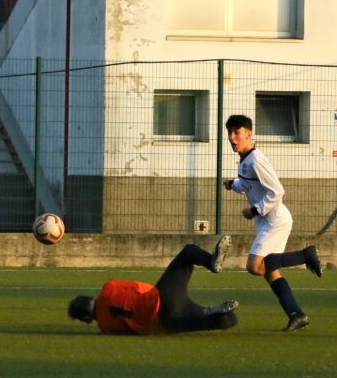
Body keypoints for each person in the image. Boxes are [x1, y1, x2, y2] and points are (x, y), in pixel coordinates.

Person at [223, 114, 322, 332]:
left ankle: (305, 255)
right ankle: (297, 315)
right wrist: (233, 184)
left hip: (275, 222)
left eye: (236, 132)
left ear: (249, 134)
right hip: (267, 222)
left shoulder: (256, 159)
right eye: (229, 132)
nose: (231, 137)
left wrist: (255, 210)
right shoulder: (246, 159)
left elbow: (277, 191)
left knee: (254, 266)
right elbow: (251, 185)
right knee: (270, 271)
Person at [68, 235, 238, 334]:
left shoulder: (105, 326)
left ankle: (210, 314)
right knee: (188, 252)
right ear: (91, 297)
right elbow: (142, 288)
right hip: (163, 300)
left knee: (229, 319)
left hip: (166, 324)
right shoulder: (109, 287)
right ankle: (211, 262)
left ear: (86, 319)